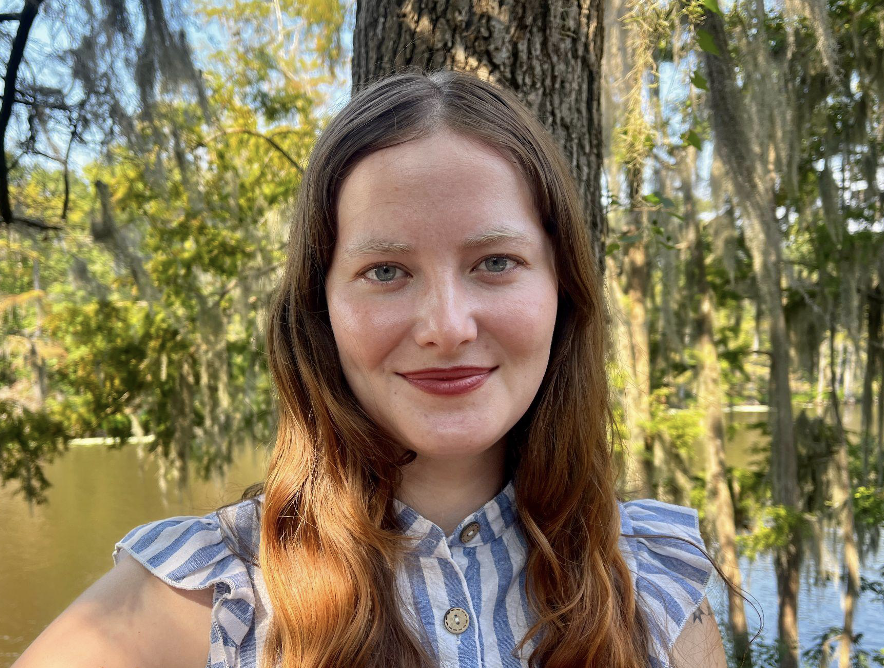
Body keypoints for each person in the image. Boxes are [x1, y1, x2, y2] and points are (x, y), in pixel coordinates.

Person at [14, 69, 728, 668]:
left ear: (562, 291)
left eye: (496, 263)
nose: (447, 327)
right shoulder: (204, 594)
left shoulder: (651, 585)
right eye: (386, 270)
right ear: (319, 309)